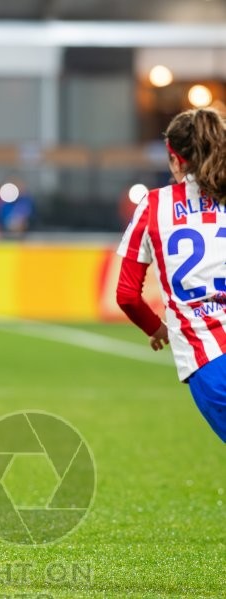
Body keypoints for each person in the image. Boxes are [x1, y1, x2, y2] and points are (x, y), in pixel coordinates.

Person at [117, 107, 226, 442]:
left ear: (175, 158)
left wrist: (158, 329)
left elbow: (127, 295)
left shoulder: (154, 205)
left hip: (206, 354)